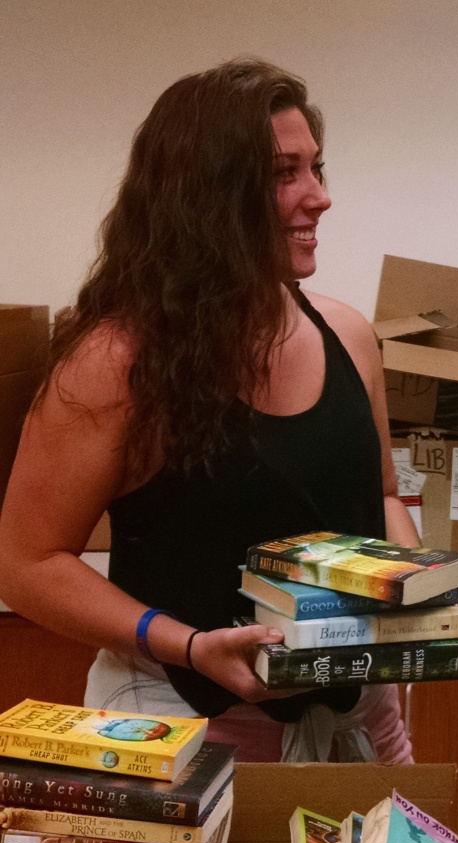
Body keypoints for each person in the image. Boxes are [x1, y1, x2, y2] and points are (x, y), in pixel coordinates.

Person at [0, 58, 418, 764]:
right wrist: (188, 646)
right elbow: (26, 563)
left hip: (359, 722)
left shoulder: (347, 334)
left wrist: (409, 598)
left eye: (317, 169)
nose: (318, 198)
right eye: (284, 174)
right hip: (184, 732)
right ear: (206, 197)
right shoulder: (115, 365)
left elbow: (377, 495)